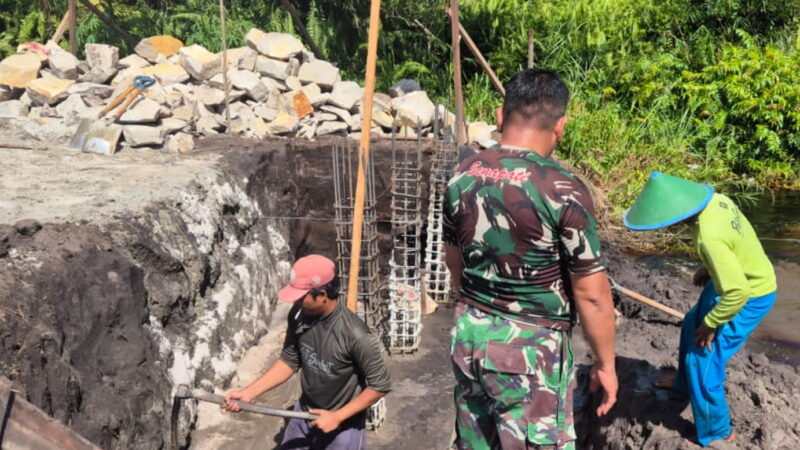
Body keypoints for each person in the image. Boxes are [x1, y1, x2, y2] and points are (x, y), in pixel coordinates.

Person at [443, 68, 618, 450]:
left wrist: (482, 307)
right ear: (561, 126)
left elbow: (453, 258)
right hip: (529, 349)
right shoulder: (562, 190)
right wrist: (605, 364)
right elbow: (591, 295)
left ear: (501, 116)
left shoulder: (461, 175)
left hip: (469, 334)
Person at [623, 172, 777, 447]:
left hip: (749, 294)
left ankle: (718, 430)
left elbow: (738, 292)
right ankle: (683, 383)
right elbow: (737, 240)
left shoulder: (708, 236)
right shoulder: (718, 200)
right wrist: (710, 267)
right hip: (733, 280)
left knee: (703, 359)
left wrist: (712, 323)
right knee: (691, 321)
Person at [221, 254, 391, 449]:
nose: (297, 302)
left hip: (343, 423)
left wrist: (337, 416)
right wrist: (249, 392)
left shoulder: (356, 335)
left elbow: (380, 385)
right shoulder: (299, 315)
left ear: (323, 296)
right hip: (304, 412)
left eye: (302, 297)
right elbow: (290, 359)